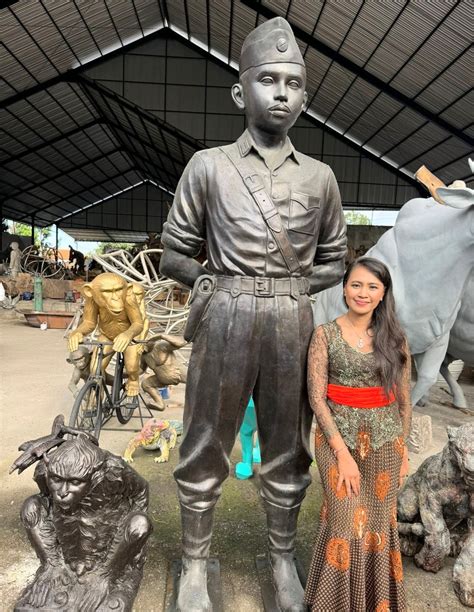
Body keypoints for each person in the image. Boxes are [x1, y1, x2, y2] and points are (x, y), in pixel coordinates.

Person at [160, 16, 347, 612]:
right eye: (269, 80)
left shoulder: (321, 178)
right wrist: (217, 283)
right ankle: (194, 565)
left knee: (288, 440)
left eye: (293, 83)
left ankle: (284, 559)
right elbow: (173, 252)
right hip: (227, 315)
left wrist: (290, 287)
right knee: (206, 436)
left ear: (304, 97)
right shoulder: (209, 166)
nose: (282, 93)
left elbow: (336, 260)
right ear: (242, 92)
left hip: (292, 322)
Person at [304, 257, 411, 612]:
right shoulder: (325, 335)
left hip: (385, 442)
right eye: (356, 285)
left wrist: (405, 449)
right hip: (338, 441)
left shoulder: (395, 339)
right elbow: (317, 400)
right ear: (344, 287)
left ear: (383, 295)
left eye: (372, 287)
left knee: (380, 520)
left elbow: (404, 402)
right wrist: (342, 454)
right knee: (344, 519)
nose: (362, 293)